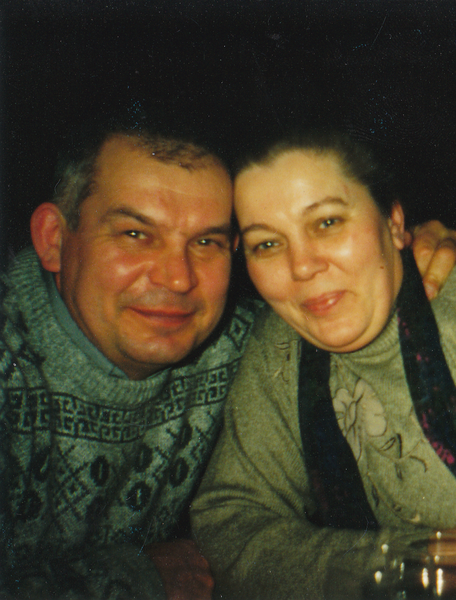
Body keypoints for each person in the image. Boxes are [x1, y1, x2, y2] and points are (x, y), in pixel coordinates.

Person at [0, 113, 264, 600]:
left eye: (206, 242)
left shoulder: (246, 344)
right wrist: (134, 579)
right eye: (136, 234)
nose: (178, 278)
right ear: (54, 239)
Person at [191, 130, 456, 600]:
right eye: (266, 244)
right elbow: (231, 520)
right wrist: (397, 564)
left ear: (394, 222)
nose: (302, 266)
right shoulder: (279, 348)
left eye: (327, 222)